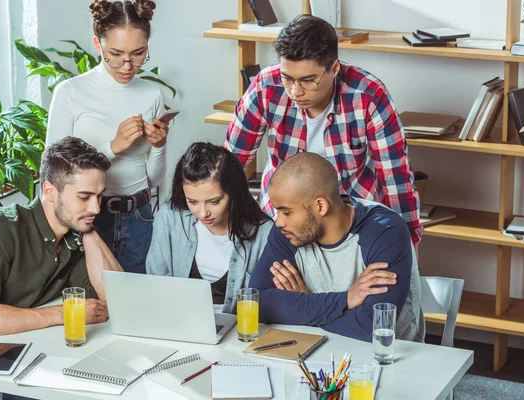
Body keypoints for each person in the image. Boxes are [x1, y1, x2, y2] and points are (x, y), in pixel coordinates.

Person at [225, 14, 423, 249]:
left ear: (334, 68)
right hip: (283, 217)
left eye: (308, 80)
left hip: (351, 216)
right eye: (288, 78)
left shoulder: (368, 96)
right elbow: (232, 162)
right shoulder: (265, 87)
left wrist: (408, 242)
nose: (295, 92)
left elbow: (395, 177)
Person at [0, 137, 122, 400]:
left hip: (15, 352)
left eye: (99, 196)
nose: (96, 208)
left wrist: (88, 232)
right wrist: (63, 313)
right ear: (50, 191)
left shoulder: (73, 236)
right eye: (84, 197)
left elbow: (115, 300)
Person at [47, 0, 168, 274]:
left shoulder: (152, 95)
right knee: (90, 306)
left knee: (137, 303)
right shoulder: (70, 92)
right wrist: (112, 147)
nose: (127, 65)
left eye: (138, 53)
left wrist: (159, 147)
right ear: (97, 44)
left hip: (139, 216)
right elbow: (52, 170)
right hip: (88, 217)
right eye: (115, 54)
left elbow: (154, 180)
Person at [249, 152, 424, 342]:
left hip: (391, 359)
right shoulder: (289, 231)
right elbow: (257, 304)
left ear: (321, 206)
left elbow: (372, 327)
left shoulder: (384, 231)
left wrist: (304, 307)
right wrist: (346, 299)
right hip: (317, 353)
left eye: (286, 212)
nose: (278, 222)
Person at [146, 143, 273, 313]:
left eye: (214, 202)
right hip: (178, 321)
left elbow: (268, 301)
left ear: (233, 194)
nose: (203, 213)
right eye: (192, 202)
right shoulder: (169, 218)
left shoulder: (263, 232)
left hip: (239, 329)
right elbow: (156, 284)